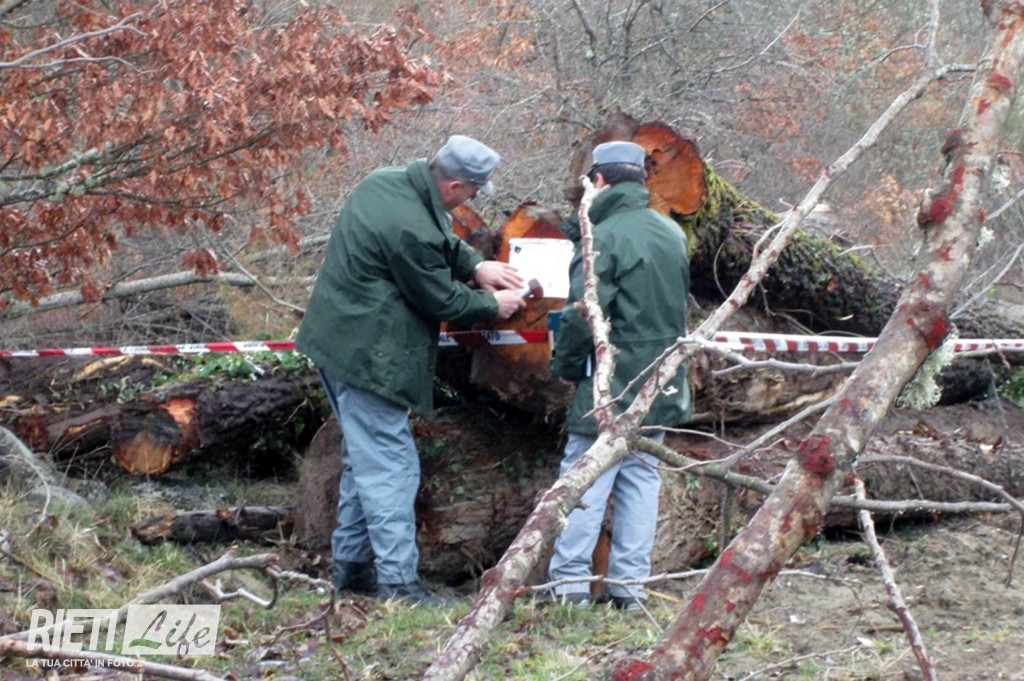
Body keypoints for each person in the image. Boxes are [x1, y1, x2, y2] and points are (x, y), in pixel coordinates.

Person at [297, 135, 525, 606]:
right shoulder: (410, 226)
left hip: (339, 341)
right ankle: (399, 584)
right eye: (473, 191)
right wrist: (492, 304)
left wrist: (476, 266)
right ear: (455, 185)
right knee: (393, 468)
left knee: (365, 460)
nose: (472, 199)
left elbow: (438, 237)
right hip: (369, 355)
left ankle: (352, 571)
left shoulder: (386, 184)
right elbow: (440, 299)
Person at [547, 140, 691, 611]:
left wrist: (567, 368)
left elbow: (582, 315)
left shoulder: (602, 236)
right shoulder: (671, 232)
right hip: (663, 378)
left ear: (599, 180)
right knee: (641, 482)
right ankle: (629, 590)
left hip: (612, 383)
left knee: (585, 480)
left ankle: (569, 588)